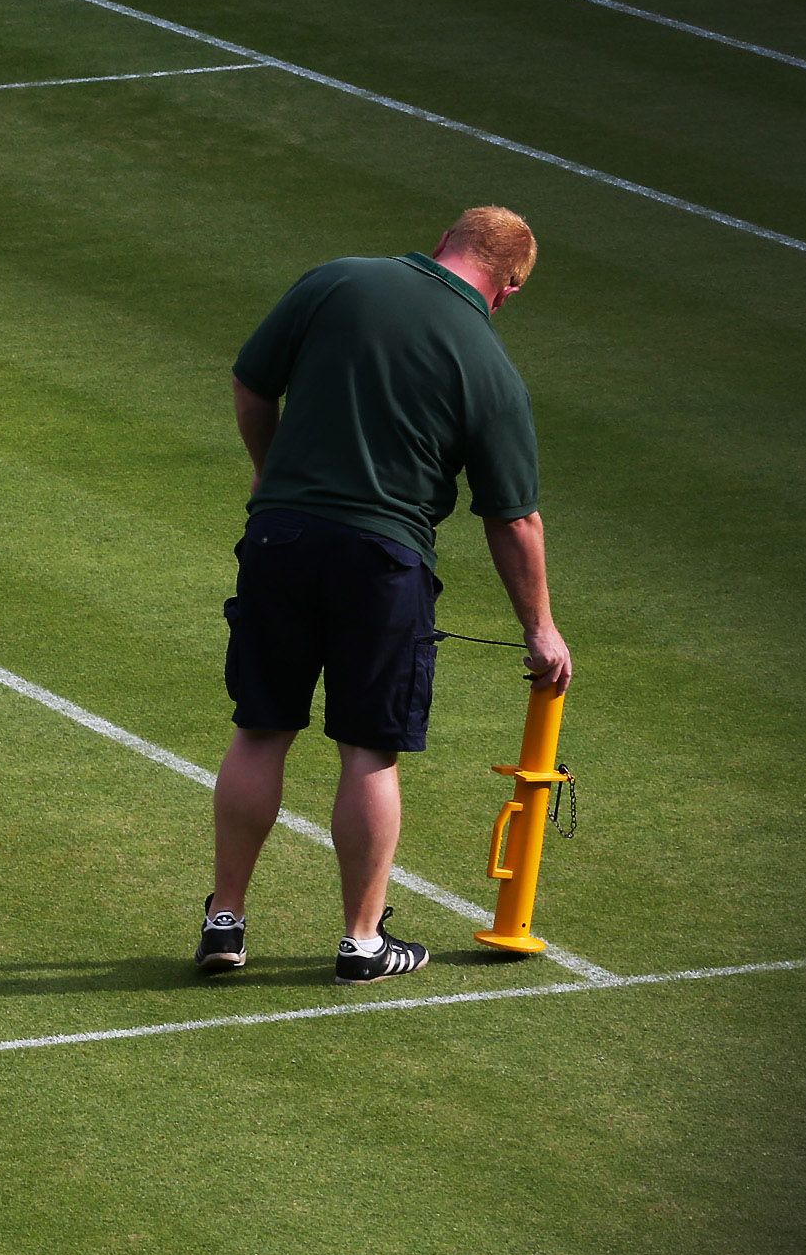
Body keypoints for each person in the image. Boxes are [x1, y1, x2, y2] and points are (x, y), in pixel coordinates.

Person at [198, 206, 574, 982]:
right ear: (507, 289)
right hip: (384, 560)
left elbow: (250, 382)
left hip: (280, 540)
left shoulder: (339, 279)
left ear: (443, 241)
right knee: (368, 749)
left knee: (260, 728)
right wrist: (539, 626)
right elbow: (514, 518)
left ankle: (224, 920)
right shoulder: (489, 364)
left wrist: (271, 479)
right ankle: (361, 940)